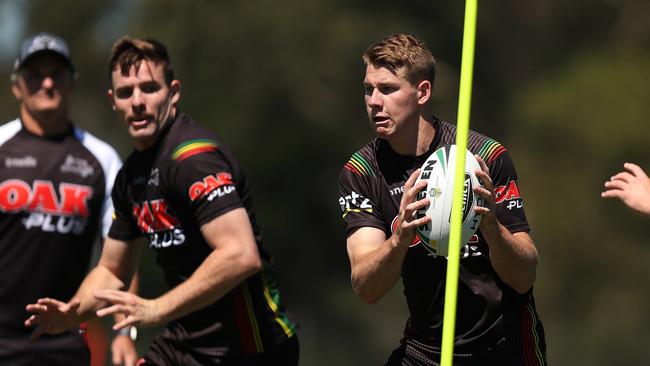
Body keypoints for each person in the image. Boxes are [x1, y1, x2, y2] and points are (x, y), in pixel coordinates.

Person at [25, 36, 299, 365]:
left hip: (250, 347)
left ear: (173, 92)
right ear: (114, 101)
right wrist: (73, 312)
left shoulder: (193, 159)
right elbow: (112, 269)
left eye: (149, 88)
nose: (137, 101)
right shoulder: (130, 177)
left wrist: (154, 308)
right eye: (126, 93)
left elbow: (240, 255)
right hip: (184, 344)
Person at [338, 33, 547, 365]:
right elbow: (367, 288)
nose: (374, 101)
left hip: (505, 344)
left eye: (388, 89)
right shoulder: (362, 172)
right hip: (428, 349)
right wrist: (400, 238)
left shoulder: (484, 158)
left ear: (422, 92)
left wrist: (491, 227)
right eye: (368, 89)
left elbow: (524, 276)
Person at [0, 33, 137, 365]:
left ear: (72, 82)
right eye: (35, 74)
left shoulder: (102, 160)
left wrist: (123, 331)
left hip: (65, 344)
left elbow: (121, 256)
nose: (47, 83)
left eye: (56, 74)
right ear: (17, 85)